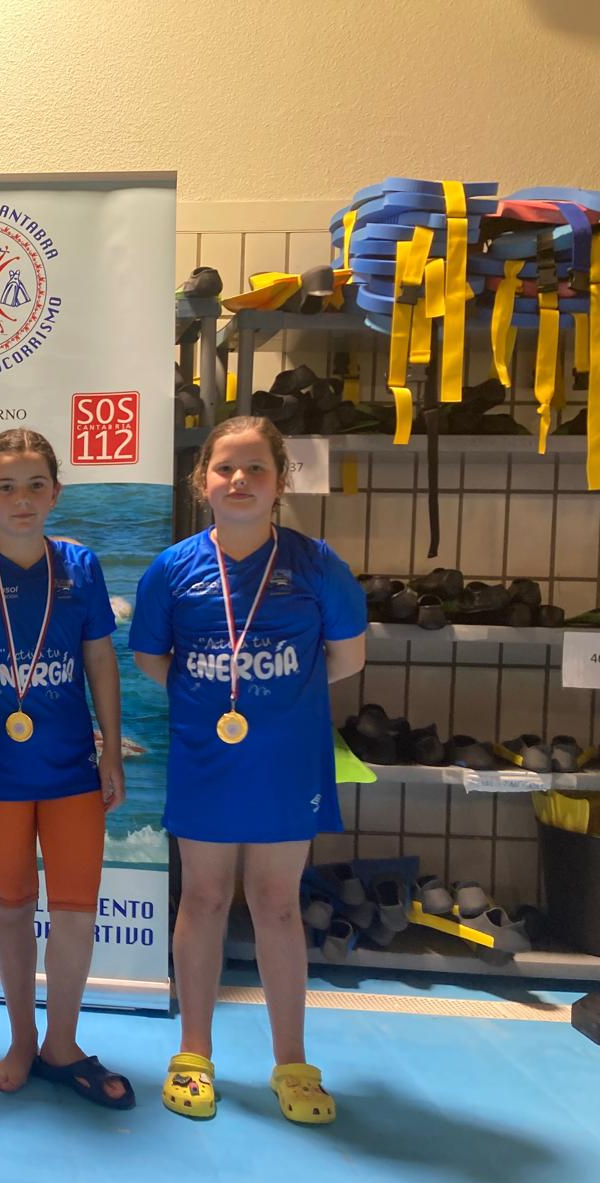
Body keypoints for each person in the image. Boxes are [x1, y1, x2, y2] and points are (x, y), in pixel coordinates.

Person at [129, 415, 366, 1125]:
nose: (239, 480)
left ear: (280, 480)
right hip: (206, 758)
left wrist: (275, 700)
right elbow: (151, 658)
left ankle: (292, 1064)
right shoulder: (173, 569)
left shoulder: (317, 564)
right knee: (203, 898)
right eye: (225, 467)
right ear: (201, 481)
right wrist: (215, 696)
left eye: (256, 467)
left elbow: (346, 658)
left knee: (277, 903)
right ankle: (192, 1055)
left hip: (287, 763)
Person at [0, 428, 134, 1108]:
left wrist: (112, 747)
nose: (21, 499)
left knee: (75, 913)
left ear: (56, 493)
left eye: (35, 485)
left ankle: (63, 1043)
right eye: (7, 487)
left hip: (72, 768)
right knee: (13, 909)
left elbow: (100, 660)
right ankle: (22, 1039)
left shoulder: (80, 565)